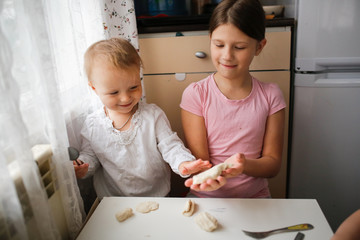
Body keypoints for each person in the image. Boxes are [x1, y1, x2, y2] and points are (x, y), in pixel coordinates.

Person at [73, 38, 212, 199]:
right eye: (114, 93)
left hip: (158, 197)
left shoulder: (152, 115)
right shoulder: (92, 124)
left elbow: (171, 146)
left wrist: (184, 163)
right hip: (112, 201)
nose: (126, 98)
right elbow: (90, 156)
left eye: (133, 87)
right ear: (94, 88)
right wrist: (82, 166)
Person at [180, 0, 286, 198]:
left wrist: (244, 165)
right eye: (219, 45)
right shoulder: (196, 94)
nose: (227, 56)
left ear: (259, 46)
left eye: (239, 47)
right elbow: (200, 164)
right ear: (210, 39)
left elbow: (272, 165)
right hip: (206, 197)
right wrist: (209, 180)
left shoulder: (271, 95)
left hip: (256, 199)